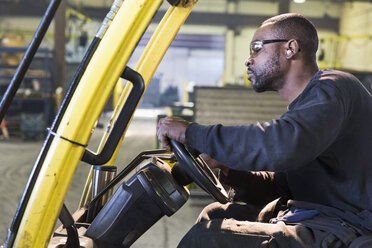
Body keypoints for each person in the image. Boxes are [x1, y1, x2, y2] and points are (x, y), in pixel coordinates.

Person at [156, 13, 372, 247]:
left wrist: (192, 133)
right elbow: (279, 187)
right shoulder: (305, 112)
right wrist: (229, 167)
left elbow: (281, 145)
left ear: (290, 48)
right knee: (215, 214)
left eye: (257, 48)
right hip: (312, 218)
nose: (248, 60)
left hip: (346, 225)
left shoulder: (334, 87)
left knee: (205, 238)